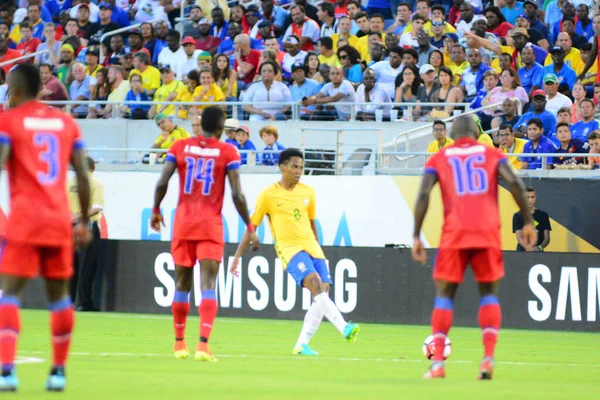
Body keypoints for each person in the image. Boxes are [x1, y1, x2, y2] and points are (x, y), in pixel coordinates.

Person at [412, 115, 536, 380]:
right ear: (476, 132)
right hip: (487, 231)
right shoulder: (491, 153)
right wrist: (527, 220)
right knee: (488, 293)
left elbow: (423, 194)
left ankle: (438, 365)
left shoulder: (440, 157)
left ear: (454, 135)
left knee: (445, 294)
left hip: (455, 232)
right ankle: (488, 358)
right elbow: (514, 182)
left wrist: (415, 235)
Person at [0, 63, 92, 392]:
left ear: (18, 89)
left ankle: (7, 371)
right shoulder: (64, 122)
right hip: (57, 221)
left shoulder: (8, 121)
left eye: (9, 90)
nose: (7, 96)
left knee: (9, 294)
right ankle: (57, 372)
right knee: (59, 300)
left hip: (24, 219)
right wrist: (82, 221)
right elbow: (82, 174)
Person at [151, 108, 257, 363]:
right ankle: (203, 345)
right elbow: (237, 194)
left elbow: (162, 182)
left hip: (184, 223)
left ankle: (179, 344)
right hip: (209, 224)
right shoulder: (228, 151)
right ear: (221, 128)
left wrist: (156, 209)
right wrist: (250, 226)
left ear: (200, 124)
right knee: (208, 284)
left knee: (181, 284)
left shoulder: (179, 146)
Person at [231, 148, 360, 356]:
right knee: (315, 284)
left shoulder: (308, 191)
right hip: (289, 248)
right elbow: (251, 226)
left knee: (322, 292)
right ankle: (344, 327)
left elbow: (311, 222)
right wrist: (237, 257)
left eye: (301, 167)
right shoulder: (268, 195)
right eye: (294, 167)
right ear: (282, 167)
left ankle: (301, 345)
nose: (299, 171)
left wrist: (318, 250)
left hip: (312, 246)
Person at [68, 156, 104, 312]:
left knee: (71, 266)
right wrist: (80, 215)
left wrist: (72, 216)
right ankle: (84, 303)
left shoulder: (69, 183)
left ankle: (67, 302)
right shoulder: (96, 183)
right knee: (86, 266)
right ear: (93, 168)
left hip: (69, 227)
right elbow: (96, 207)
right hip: (87, 226)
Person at [512, 187, 550, 252]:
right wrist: (528, 248)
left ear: (535, 198)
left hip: (539, 252)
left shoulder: (543, 215)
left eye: (532, 197)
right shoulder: (518, 216)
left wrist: (540, 247)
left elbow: (547, 238)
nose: (530, 200)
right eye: (527, 197)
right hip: (522, 252)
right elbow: (519, 237)